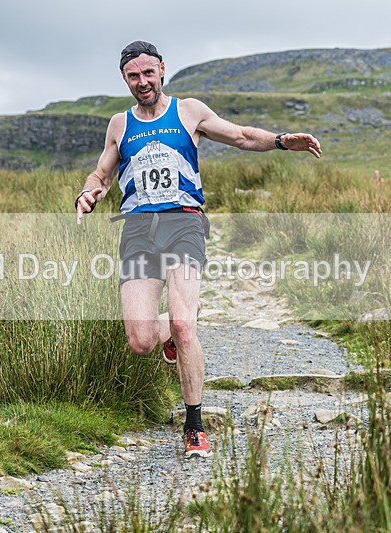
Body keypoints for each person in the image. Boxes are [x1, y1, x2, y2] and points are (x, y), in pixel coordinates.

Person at [75, 41, 322, 459]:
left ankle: (194, 425)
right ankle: (173, 326)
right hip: (137, 230)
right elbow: (102, 171)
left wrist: (281, 141)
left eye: (148, 73)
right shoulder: (119, 123)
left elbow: (242, 137)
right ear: (124, 79)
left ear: (161, 70)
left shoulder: (189, 110)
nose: (143, 82)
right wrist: (89, 192)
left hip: (184, 223)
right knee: (140, 341)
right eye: (134, 76)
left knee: (187, 327)